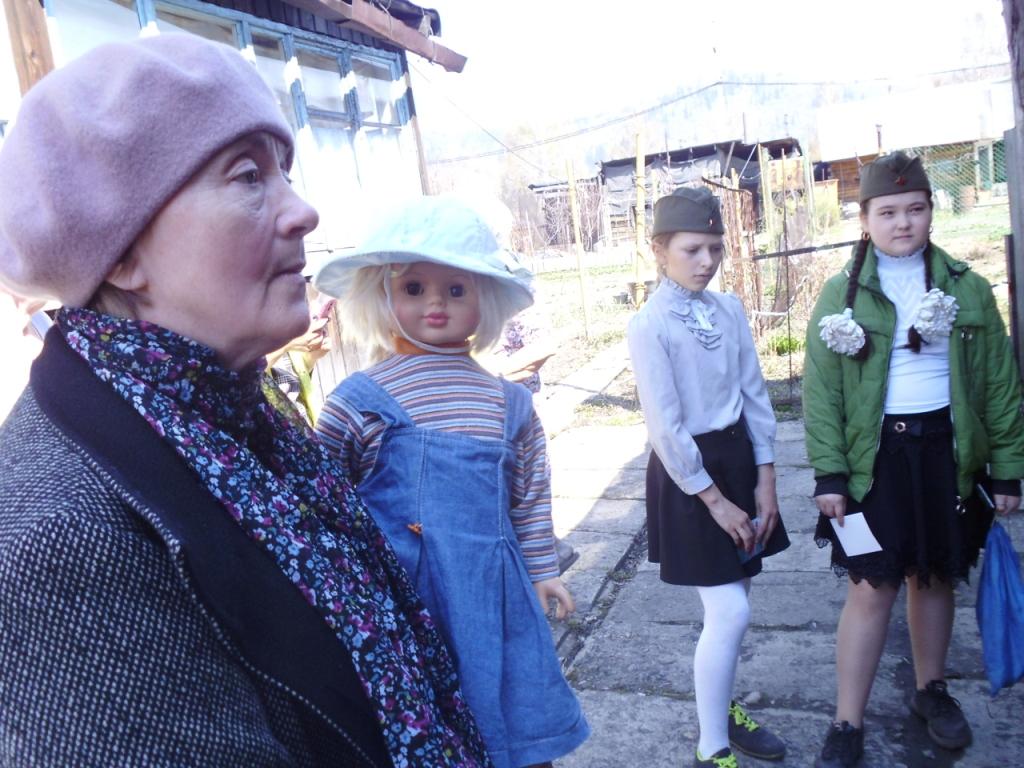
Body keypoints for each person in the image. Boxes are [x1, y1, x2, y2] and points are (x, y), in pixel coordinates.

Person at [0, 35, 491, 767]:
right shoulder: (64, 547)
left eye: (284, 171)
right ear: (122, 252)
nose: (303, 212)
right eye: (248, 175)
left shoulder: (238, 423)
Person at [313, 196, 590, 768]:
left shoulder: (508, 403)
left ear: (485, 300)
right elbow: (325, 497)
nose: (436, 302)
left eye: (456, 289)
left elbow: (528, 497)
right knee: (422, 720)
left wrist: (542, 570)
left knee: (511, 709)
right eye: (414, 288)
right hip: (406, 596)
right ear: (382, 295)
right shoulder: (358, 401)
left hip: (494, 590)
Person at [803, 152, 1024, 768]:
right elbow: (822, 394)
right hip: (875, 462)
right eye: (888, 212)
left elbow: (999, 384)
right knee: (871, 588)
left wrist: (1007, 468)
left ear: (931, 211)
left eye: (915, 209)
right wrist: (830, 473)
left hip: (946, 455)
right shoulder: (840, 295)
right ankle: (847, 721)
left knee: (933, 578)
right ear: (864, 219)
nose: (903, 222)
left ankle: (932, 691)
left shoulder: (968, 287)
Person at [627, 187, 791, 768]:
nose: (706, 261)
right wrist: (717, 503)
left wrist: (766, 478)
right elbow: (665, 427)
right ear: (659, 251)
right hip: (691, 478)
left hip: (739, 462)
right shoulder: (649, 324)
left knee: (735, 603)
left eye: (715, 249)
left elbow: (754, 393)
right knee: (731, 611)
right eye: (692, 249)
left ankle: (719, 710)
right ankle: (711, 747)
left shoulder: (729, 309)